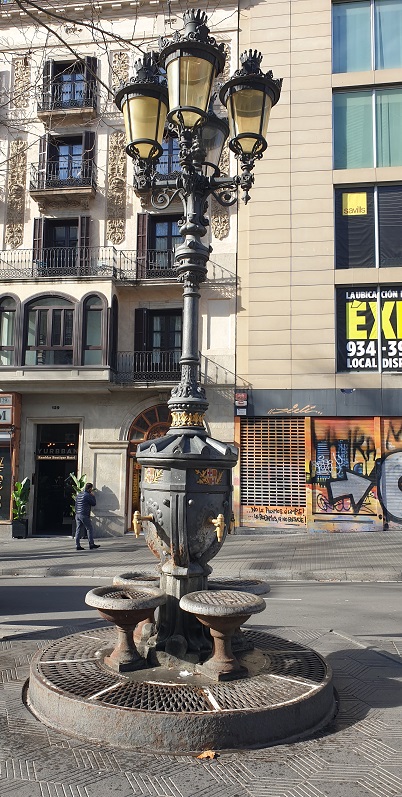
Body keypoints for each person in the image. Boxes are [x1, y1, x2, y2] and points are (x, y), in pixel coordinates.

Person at [74, 482, 100, 551]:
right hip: (84, 514)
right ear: (90, 489)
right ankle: (91, 544)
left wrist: (76, 512)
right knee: (89, 528)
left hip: (77, 514)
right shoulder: (88, 495)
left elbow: (76, 504)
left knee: (78, 529)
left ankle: (77, 545)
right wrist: (93, 496)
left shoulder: (79, 494)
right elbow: (93, 503)